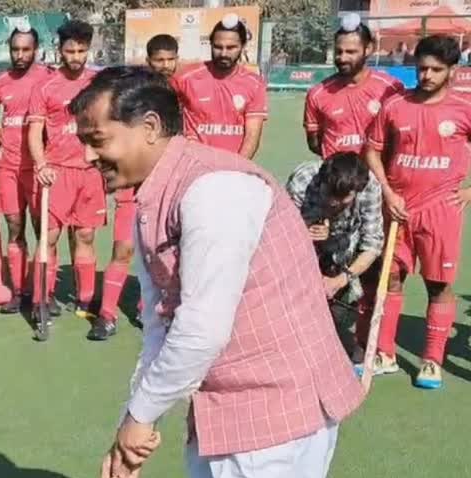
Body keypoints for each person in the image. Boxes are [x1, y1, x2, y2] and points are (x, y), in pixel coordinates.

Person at [72, 66, 364, 478]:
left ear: (149, 127)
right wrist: (133, 425)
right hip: (223, 413)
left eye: (99, 141)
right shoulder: (151, 200)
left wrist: (141, 417)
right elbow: (160, 324)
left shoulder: (218, 190)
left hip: (280, 414)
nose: (91, 156)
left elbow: (202, 327)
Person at [363, 34, 471, 390]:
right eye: (421, 68)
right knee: (390, 278)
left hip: (441, 210)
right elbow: (373, 151)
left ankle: (431, 360)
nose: (426, 76)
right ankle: (385, 353)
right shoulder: (395, 106)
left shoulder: (464, 108)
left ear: (452, 71)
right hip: (397, 207)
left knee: (438, 285)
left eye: (435, 70)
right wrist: (387, 191)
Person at [27, 21, 109, 330]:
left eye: (81, 50)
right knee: (49, 237)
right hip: (57, 173)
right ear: (59, 50)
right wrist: (41, 164)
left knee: (86, 235)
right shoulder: (45, 87)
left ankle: (86, 297)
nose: (76, 56)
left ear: (89, 49)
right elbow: (35, 132)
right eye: (70, 50)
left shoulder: (99, 83)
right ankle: (40, 298)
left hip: (90, 173)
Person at [111, 33, 183, 330]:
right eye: (159, 59)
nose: (165, 65)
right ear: (148, 60)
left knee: (164, 248)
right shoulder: (131, 93)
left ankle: (149, 308)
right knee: (124, 246)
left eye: (170, 59)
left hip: (168, 181)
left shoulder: (183, 91)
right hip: (133, 179)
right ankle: (105, 314)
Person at [0, 27, 50, 314]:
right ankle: (19, 291)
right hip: (7, 167)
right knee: (15, 228)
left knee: (41, 229)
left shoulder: (48, 78)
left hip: (37, 167)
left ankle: (42, 292)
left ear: (36, 49)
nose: (20, 55)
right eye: (15, 50)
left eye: (26, 49)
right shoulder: (0, 81)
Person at [286, 152, 385, 351]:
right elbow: (282, 232)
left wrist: (339, 280)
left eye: (343, 198)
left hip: (345, 250)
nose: (333, 202)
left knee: (336, 322)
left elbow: (372, 245)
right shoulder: (303, 180)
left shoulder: (370, 187)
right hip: (301, 251)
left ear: (357, 191)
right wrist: (305, 233)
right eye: (330, 193)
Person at [304, 14, 404, 159]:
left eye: (350, 52)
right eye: (339, 52)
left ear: (368, 49)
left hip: (377, 175)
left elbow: (401, 135)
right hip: (336, 177)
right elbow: (314, 142)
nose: (342, 58)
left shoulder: (391, 88)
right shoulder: (317, 93)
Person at [172, 14, 267, 158]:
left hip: (233, 166)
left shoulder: (255, 84)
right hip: (192, 166)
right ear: (210, 44)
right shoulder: (185, 78)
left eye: (231, 48)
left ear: (243, 46)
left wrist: (237, 168)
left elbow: (252, 136)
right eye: (218, 47)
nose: (223, 53)